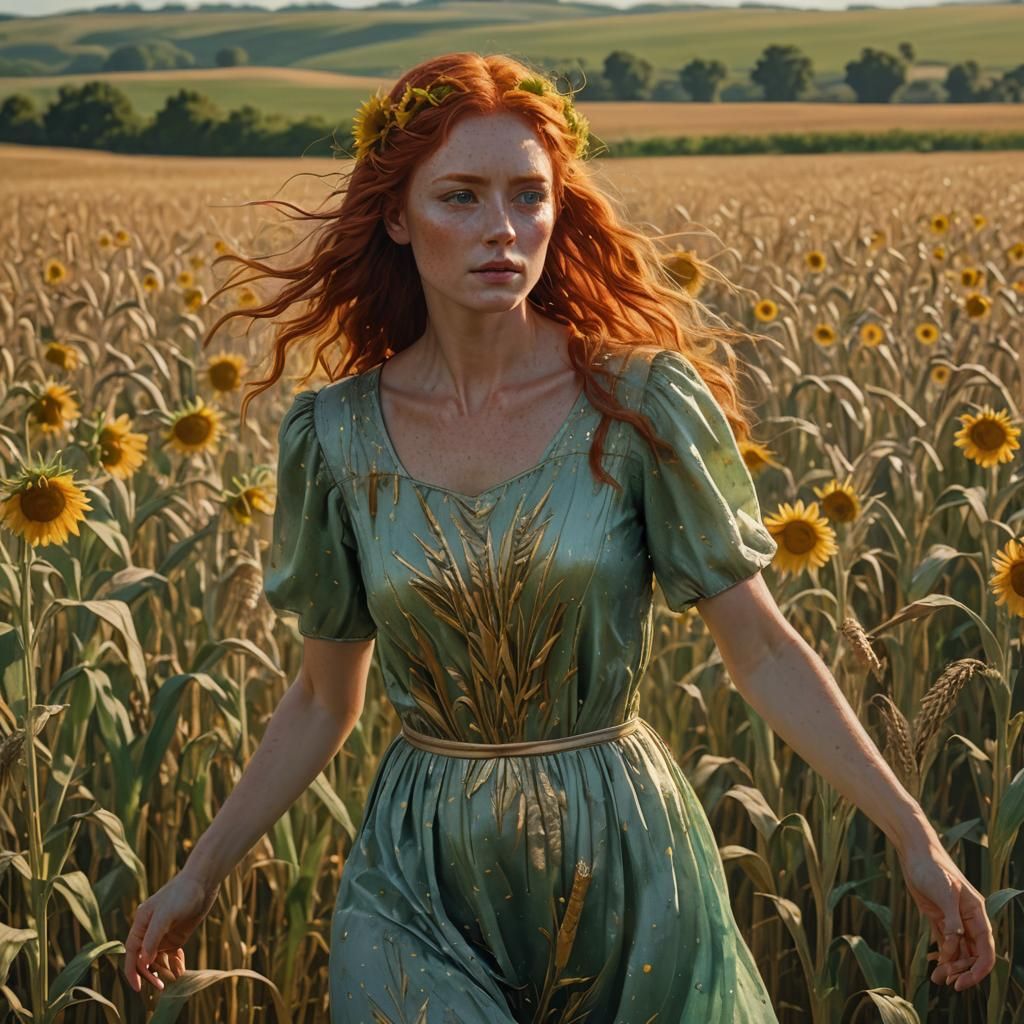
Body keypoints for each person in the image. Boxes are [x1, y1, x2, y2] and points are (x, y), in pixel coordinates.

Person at [123, 52, 995, 1022]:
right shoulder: (332, 436)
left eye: (528, 196)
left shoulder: (638, 403)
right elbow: (326, 700)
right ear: (397, 215)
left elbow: (761, 646)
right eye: (461, 196)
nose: (502, 228)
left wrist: (914, 833)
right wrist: (200, 872)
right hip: (421, 866)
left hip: (621, 855)